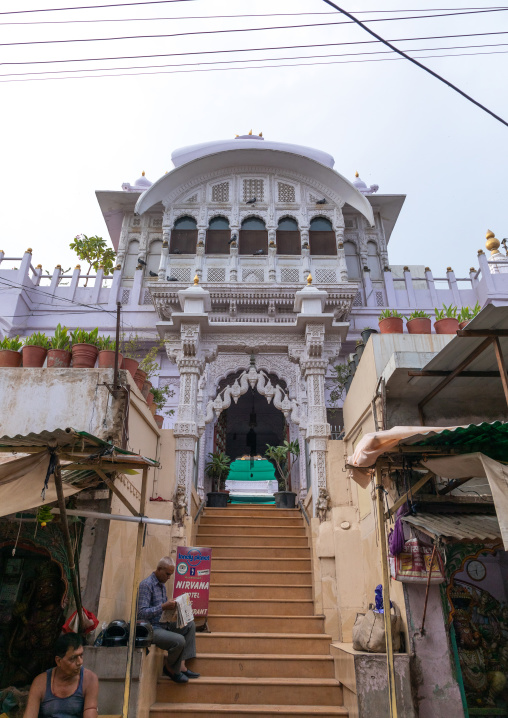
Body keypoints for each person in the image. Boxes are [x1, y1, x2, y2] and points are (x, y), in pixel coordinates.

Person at [138, 556, 200, 684]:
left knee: (189, 625)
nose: (168, 577)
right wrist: (163, 607)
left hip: (163, 624)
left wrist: (175, 611)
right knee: (179, 640)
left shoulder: (162, 586)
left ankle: (181, 666)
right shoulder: (146, 585)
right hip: (151, 628)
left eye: (171, 575)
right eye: (167, 574)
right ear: (159, 569)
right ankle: (170, 668)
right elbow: (141, 613)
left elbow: (163, 611)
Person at [23, 632, 99, 718]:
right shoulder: (40, 683)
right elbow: (30, 715)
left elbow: (90, 711)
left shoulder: (90, 679)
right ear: (59, 661)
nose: (80, 662)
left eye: (81, 655)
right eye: (73, 658)